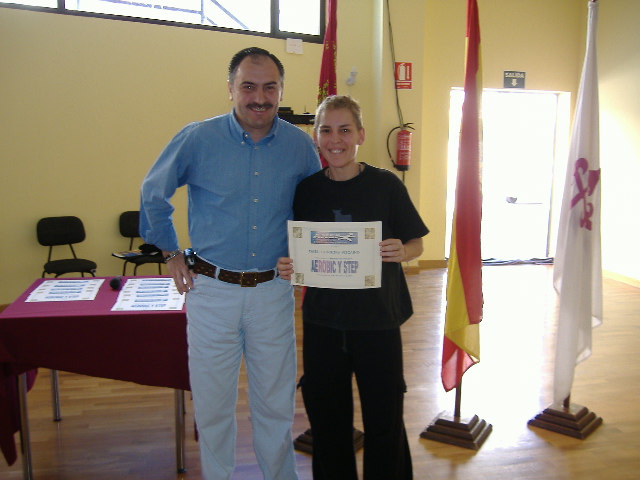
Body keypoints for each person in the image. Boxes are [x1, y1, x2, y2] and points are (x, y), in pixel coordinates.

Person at [139, 47, 320, 480]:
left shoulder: (299, 147)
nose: (260, 96)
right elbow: (153, 193)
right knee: (213, 404)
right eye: (249, 86)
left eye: (270, 86)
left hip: (272, 293)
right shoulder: (198, 138)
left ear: (281, 90)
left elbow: (315, 209)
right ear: (231, 89)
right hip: (211, 292)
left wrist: (312, 257)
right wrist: (170, 251)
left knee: (276, 406)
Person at [277, 95, 428, 480]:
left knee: (384, 420)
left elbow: (417, 243)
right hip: (324, 323)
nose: (335, 139)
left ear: (360, 134)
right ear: (316, 137)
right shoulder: (306, 189)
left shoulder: (386, 186)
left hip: (377, 321)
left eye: (345, 130)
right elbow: (297, 247)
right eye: (326, 130)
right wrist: (289, 265)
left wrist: (402, 251)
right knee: (328, 422)